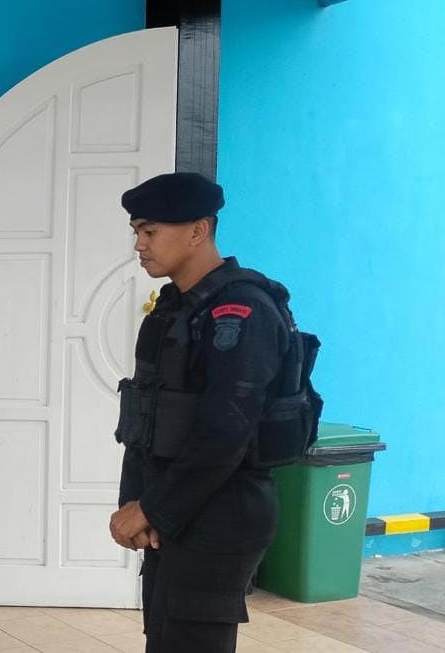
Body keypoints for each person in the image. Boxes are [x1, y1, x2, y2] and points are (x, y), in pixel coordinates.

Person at [109, 172, 295, 653]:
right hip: (177, 509)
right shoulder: (174, 308)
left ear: (198, 231)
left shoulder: (241, 311)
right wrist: (136, 503)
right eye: (137, 231)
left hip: (222, 514)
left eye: (150, 231)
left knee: (190, 641)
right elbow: (146, 414)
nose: (139, 245)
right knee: (166, 638)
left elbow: (226, 433)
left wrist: (151, 509)